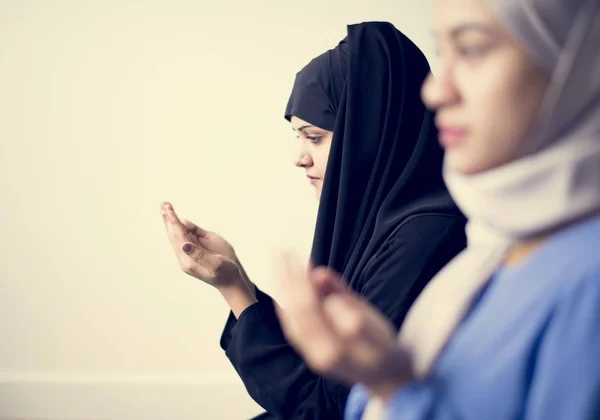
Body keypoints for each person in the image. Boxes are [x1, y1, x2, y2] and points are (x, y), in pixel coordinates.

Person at [274, 0, 600, 419]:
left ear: (577, 63)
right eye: (444, 53)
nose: (435, 90)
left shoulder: (585, 279)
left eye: (473, 49)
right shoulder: (493, 249)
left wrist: (390, 384)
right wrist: (381, 375)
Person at [160, 21, 467, 419]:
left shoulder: (425, 237)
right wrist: (234, 280)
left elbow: (324, 410)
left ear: (368, 134)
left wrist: (234, 294)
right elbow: (321, 376)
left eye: (315, 137)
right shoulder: (386, 224)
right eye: (297, 136)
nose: (298, 157)